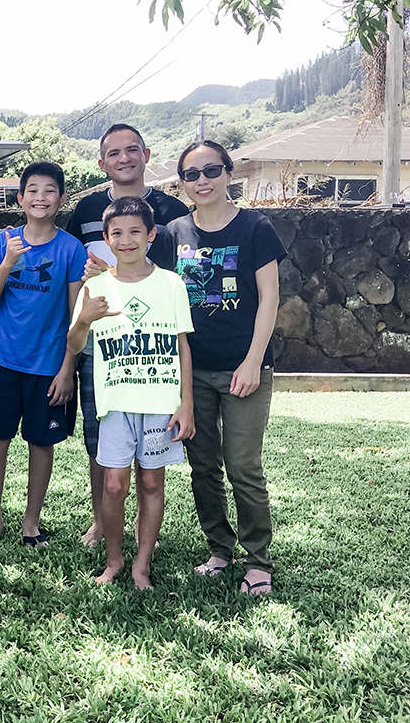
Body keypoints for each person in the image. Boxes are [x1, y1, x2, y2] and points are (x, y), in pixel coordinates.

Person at [163, 140, 286, 596]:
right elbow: (159, 293)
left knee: (243, 467)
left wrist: (253, 361)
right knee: (202, 466)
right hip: (192, 371)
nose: (202, 181)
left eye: (211, 170)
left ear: (228, 173)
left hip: (245, 368)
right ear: (182, 182)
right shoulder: (174, 232)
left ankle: (258, 560)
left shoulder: (256, 227)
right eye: (192, 175)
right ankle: (220, 550)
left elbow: (270, 298)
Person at [65, 123, 190, 548]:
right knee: (100, 437)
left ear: (147, 154)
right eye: (113, 153)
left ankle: (143, 534)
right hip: (103, 341)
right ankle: (102, 521)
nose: (123, 158)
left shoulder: (173, 211)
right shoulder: (85, 210)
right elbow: (67, 257)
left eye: (131, 150)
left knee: (151, 458)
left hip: (155, 346)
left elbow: (177, 270)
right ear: (102, 162)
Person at [0, 161, 87, 548]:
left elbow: (75, 315)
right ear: (20, 198)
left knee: (42, 443)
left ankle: (31, 524)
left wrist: (67, 369)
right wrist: (7, 263)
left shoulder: (71, 249)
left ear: (62, 198)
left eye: (50, 190)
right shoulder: (4, 241)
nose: (41, 197)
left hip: (47, 365)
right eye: (33, 190)